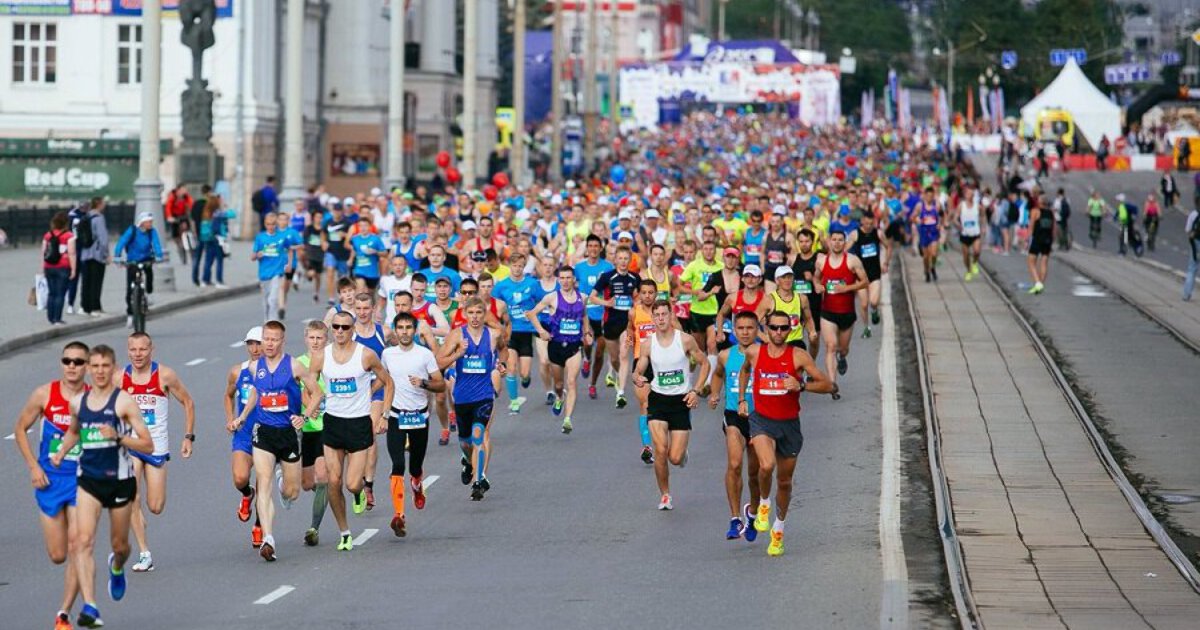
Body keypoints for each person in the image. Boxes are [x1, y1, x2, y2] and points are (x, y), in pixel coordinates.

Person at [50, 344, 154, 629]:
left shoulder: (123, 402)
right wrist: (60, 453)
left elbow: (147, 443)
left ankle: (117, 566)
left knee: (120, 545)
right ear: (87, 368)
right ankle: (91, 606)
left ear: (113, 368)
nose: (99, 371)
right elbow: (73, 432)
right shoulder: (78, 404)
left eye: (104, 366)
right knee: (82, 542)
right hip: (89, 481)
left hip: (120, 481)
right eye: (94, 366)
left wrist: (119, 437)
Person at [737, 311, 837, 557]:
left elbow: (828, 385)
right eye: (774, 328)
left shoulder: (798, 356)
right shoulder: (754, 352)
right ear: (767, 328)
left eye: (784, 328)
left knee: (784, 482)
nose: (779, 333)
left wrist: (801, 385)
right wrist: (741, 399)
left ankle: (778, 530)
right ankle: (762, 505)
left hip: (789, 426)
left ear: (790, 328)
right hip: (761, 421)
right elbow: (745, 371)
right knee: (766, 464)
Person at [13, 341, 89, 629]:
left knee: (78, 545)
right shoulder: (45, 394)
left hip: (83, 481)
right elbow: (20, 428)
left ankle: (63, 615)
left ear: (87, 366)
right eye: (67, 361)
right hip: (50, 480)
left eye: (78, 362)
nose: (72, 366)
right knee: (58, 555)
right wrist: (33, 466)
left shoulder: (95, 398)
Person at [307, 310, 393, 551]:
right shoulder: (321, 356)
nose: (340, 331)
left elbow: (387, 381)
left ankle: (358, 493)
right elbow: (310, 379)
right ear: (331, 329)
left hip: (358, 423)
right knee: (332, 481)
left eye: (345, 327)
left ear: (353, 330)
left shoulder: (365, 355)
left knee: (352, 483)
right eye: (336, 327)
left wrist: (384, 414)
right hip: (333, 422)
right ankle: (344, 531)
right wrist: (314, 398)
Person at [242, 320, 323, 561]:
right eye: (266, 338)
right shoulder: (256, 368)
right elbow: (256, 392)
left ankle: (283, 482)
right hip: (264, 431)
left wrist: (304, 416)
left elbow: (317, 393)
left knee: (292, 491)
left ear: (282, 341)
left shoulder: (295, 366)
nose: (268, 343)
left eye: (274, 339)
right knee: (262, 484)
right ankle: (268, 538)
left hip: (288, 433)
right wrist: (243, 416)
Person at [122, 332, 196, 573]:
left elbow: (188, 402)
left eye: (142, 350)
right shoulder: (119, 377)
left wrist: (188, 436)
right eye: (133, 350)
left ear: (151, 350)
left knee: (155, 506)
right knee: (131, 497)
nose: (137, 355)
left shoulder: (164, 375)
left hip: (156, 447)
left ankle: (139, 515)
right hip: (131, 445)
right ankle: (145, 553)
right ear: (128, 350)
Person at [631, 300, 709, 511]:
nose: (661, 318)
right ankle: (665, 495)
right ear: (653, 318)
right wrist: (637, 376)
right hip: (658, 399)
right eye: (657, 315)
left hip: (681, 401)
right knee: (660, 450)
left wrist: (696, 390)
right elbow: (640, 368)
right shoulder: (648, 344)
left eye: (665, 314)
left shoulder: (685, 341)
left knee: (674, 458)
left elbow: (705, 363)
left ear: (671, 315)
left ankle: (682, 454)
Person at [380, 312, 446, 537]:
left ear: (415, 330)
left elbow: (441, 385)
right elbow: (384, 381)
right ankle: (399, 515)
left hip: (419, 417)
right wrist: (380, 409)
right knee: (397, 464)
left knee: (415, 466)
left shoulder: (424, 355)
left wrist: (424, 383)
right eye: (401, 327)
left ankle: (417, 485)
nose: (405, 331)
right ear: (395, 330)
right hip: (397, 415)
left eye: (409, 327)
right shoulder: (387, 354)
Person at [437, 297, 506, 499]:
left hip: (484, 394)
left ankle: (479, 478)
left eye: (479, 313)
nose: (475, 317)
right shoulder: (457, 335)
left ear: (485, 314)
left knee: (479, 435)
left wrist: (502, 364)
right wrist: (458, 354)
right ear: (465, 314)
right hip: (462, 397)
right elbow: (439, 361)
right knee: (466, 443)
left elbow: (504, 349)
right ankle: (468, 461)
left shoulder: (493, 334)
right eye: (471, 313)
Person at [708, 311, 762, 541]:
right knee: (735, 462)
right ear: (735, 331)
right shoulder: (725, 355)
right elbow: (718, 375)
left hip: (760, 417)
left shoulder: (763, 354)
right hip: (734, 416)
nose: (745, 332)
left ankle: (752, 513)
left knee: (756, 472)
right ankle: (734, 518)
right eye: (740, 328)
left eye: (750, 328)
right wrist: (714, 393)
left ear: (757, 330)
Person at [223, 326, 264, 549]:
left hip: (267, 432)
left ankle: (259, 525)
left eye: (258, 343)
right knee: (240, 478)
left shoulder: (274, 371)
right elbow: (228, 396)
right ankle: (247, 494)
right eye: (251, 344)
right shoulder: (237, 372)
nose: (255, 348)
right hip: (244, 433)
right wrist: (231, 419)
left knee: (264, 482)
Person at [814, 231, 868, 398]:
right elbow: (816, 279)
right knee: (830, 346)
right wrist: (817, 286)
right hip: (827, 312)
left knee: (842, 349)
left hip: (847, 313)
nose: (837, 243)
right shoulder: (822, 261)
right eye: (834, 240)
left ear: (845, 243)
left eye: (840, 240)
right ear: (829, 242)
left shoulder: (852, 260)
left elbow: (865, 281)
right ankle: (832, 385)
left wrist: (847, 288)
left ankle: (842, 356)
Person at [588, 246, 640, 409]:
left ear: (630, 260)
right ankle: (620, 377)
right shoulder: (607, 277)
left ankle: (621, 393)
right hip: (610, 323)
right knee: (615, 358)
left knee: (624, 356)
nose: (623, 262)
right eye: (620, 258)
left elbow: (638, 297)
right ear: (615, 260)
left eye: (626, 258)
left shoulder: (635, 277)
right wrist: (607, 303)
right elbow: (592, 297)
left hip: (627, 324)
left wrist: (636, 305)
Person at [296, 321, 331, 547]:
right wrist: (308, 404)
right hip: (306, 428)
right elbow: (294, 391)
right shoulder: (298, 364)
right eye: (312, 338)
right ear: (306, 339)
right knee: (307, 484)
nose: (316, 342)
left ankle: (313, 528)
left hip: (328, 427)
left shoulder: (332, 360)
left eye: (320, 338)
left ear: (326, 340)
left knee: (322, 477)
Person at [492, 251, 539, 414]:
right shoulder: (501, 286)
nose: (517, 269)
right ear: (509, 266)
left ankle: (526, 378)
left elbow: (541, 302)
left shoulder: (533, 284)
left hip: (526, 331)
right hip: (511, 332)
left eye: (520, 266)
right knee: (511, 367)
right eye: (514, 266)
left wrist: (535, 315)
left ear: (524, 267)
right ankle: (514, 402)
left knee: (524, 373)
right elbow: (496, 309)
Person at [574, 235, 614, 393]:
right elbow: (572, 286)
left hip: (603, 312)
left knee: (600, 353)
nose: (593, 249)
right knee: (588, 342)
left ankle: (593, 384)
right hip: (586, 312)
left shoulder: (608, 267)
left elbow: (612, 288)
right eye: (590, 246)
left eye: (596, 246)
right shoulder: (579, 267)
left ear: (601, 248)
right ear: (587, 248)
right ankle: (586, 358)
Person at [113, 212, 166, 329]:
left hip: (146, 259)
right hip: (132, 261)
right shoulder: (132, 230)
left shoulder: (152, 232)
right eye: (149, 221)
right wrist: (117, 256)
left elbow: (156, 243)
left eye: (151, 221)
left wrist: (159, 255)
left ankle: (150, 293)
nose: (151, 224)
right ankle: (130, 315)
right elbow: (122, 242)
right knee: (129, 289)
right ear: (142, 222)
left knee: (149, 274)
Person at [848, 210, 886, 336]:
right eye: (866, 223)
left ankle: (875, 310)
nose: (869, 226)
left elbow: (888, 246)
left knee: (874, 302)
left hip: (875, 273)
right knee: (863, 305)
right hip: (860, 275)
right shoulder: (855, 234)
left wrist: (885, 262)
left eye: (871, 224)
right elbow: (845, 250)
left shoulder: (878, 233)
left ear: (873, 222)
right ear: (862, 221)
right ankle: (866, 328)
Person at [252, 212, 291, 321]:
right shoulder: (260, 238)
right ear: (265, 224)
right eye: (269, 224)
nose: (271, 227)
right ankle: (266, 321)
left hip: (277, 272)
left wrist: (289, 264)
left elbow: (290, 249)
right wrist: (257, 255)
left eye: (273, 224)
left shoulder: (282, 237)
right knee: (266, 301)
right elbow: (252, 256)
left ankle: (273, 321)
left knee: (273, 299)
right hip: (264, 273)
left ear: (276, 224)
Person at [42, 211, 77, 326]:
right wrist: (73, 269)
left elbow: (44, 252)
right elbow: (72, 253)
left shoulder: (48, 235)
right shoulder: (69, 236)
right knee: (60, 293)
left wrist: (43, 267)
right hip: (63, 266)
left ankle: (50, 317)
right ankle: (57, 318)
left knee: (51, 293)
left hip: (49, 266)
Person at [79, 197, 110, 317]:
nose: (105, 205)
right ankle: (95, 307)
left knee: (86, 281)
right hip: (97, 254)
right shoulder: (99, 218)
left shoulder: (86, 216)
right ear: (99, 204)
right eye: (103, 203)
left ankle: (84, 306)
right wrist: (106, 255)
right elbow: (103, 239)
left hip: (85, 254)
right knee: (96, 282)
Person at [1027, 194, 1056, 295]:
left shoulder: (1035, 211)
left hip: (1037, 239)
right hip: (1047, 240)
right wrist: (1052, 240)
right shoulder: (1051, 213)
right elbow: (1054, 228)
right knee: (1044, 262)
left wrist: (1028, 239)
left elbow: (1031, 226)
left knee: (1031, 262)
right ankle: (1041, 285)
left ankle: (1037, 282)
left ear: (1040, 202)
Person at [911, 187, 941, 282]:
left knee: (934, 253)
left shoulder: (937, 205)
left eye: (931, 196)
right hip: (924, 232)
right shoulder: (920, 206)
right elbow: (912, 217)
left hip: (934, 233)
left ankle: (933, 267)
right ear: (924, 196)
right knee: (926, 256)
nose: (929, 198)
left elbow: (943, 216)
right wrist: (917, 220)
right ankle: (926, 271)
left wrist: (940, 224)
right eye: (927, 196)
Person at [957, 186, 984, 280]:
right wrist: (958, 225)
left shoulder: (978, 206)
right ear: (965, 195)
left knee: (977, 251)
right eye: (968, 194)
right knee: (966, 255)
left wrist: (983, 227)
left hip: (975, 233)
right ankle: (968, 271)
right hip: (965, 234)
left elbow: (983, 216)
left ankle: (975, 263)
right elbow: (955, 218)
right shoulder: (961, 205)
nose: (970, 196)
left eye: (972, 194)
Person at [164, 184, 194, 264]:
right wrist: (169, 217)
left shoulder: (186, 197)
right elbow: (168, 208)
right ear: (178, 190)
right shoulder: (172, 197)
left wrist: (192, 211)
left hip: (184, 216)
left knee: (187, 231)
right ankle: (180, 249)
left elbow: (191, 204)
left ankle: (191, 248)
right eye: (183, 190)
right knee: (176, 237)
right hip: (175, 217)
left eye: (185, 190)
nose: (184, 191)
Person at [1184, 206, 1199, 302]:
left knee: (1192, 268)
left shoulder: (1194, 214)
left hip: (1196, 243)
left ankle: (1186, 294)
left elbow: (1187, 230)